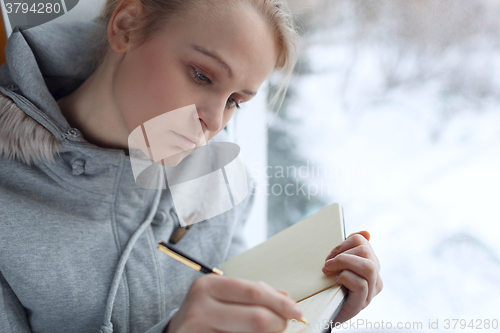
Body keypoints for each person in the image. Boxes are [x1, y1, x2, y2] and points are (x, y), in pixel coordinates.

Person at [0, 0, 383, 332]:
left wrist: (312, 314)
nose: (215, 121)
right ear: (126, 27)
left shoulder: (221, 180)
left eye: (235, 100)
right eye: (202, 75)